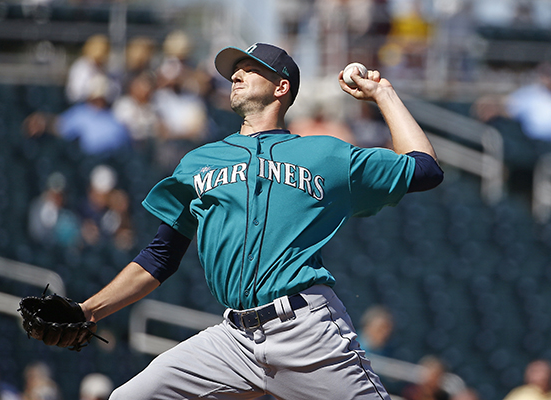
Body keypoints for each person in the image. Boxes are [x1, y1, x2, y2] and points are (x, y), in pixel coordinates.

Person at [79, 42, 443, 399]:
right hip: (233, 339)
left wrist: (383, 94)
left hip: (306, 331)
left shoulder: (325, 154)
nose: (236, 74)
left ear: (281, 87)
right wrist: (88, 310)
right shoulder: (198, 162)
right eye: (234, 70)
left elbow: (425, 169)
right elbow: (160, 256)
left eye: (250, 69)